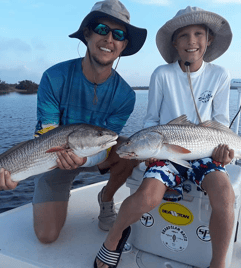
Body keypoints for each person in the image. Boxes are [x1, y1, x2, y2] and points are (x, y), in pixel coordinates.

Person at [95, 6, 235, 268]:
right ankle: (113, 240)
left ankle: (218, 263)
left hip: (204, 151)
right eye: (183, 35)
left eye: (198, 34)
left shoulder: (220, 75)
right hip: (165, 150)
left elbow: (222, 123)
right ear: (174, 42)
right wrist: (149, 153)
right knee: (147, 196)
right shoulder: (162, 74)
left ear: (209, 39)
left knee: (225, 194)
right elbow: (150, 122)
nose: (191, 42)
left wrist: (223, 150)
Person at [0, 0, 146, 243]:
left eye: (118, 34)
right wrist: (13, 175)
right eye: (102, 29)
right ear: (87, 34)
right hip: (53, 156)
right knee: (47, 236)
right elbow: (46, 135)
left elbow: (107, 143)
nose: (109, 39)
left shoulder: (126, 96)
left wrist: (83, 159)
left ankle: (106, 198)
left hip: (95, 153)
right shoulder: (54, 77)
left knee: (132, 148)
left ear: (123, 45)